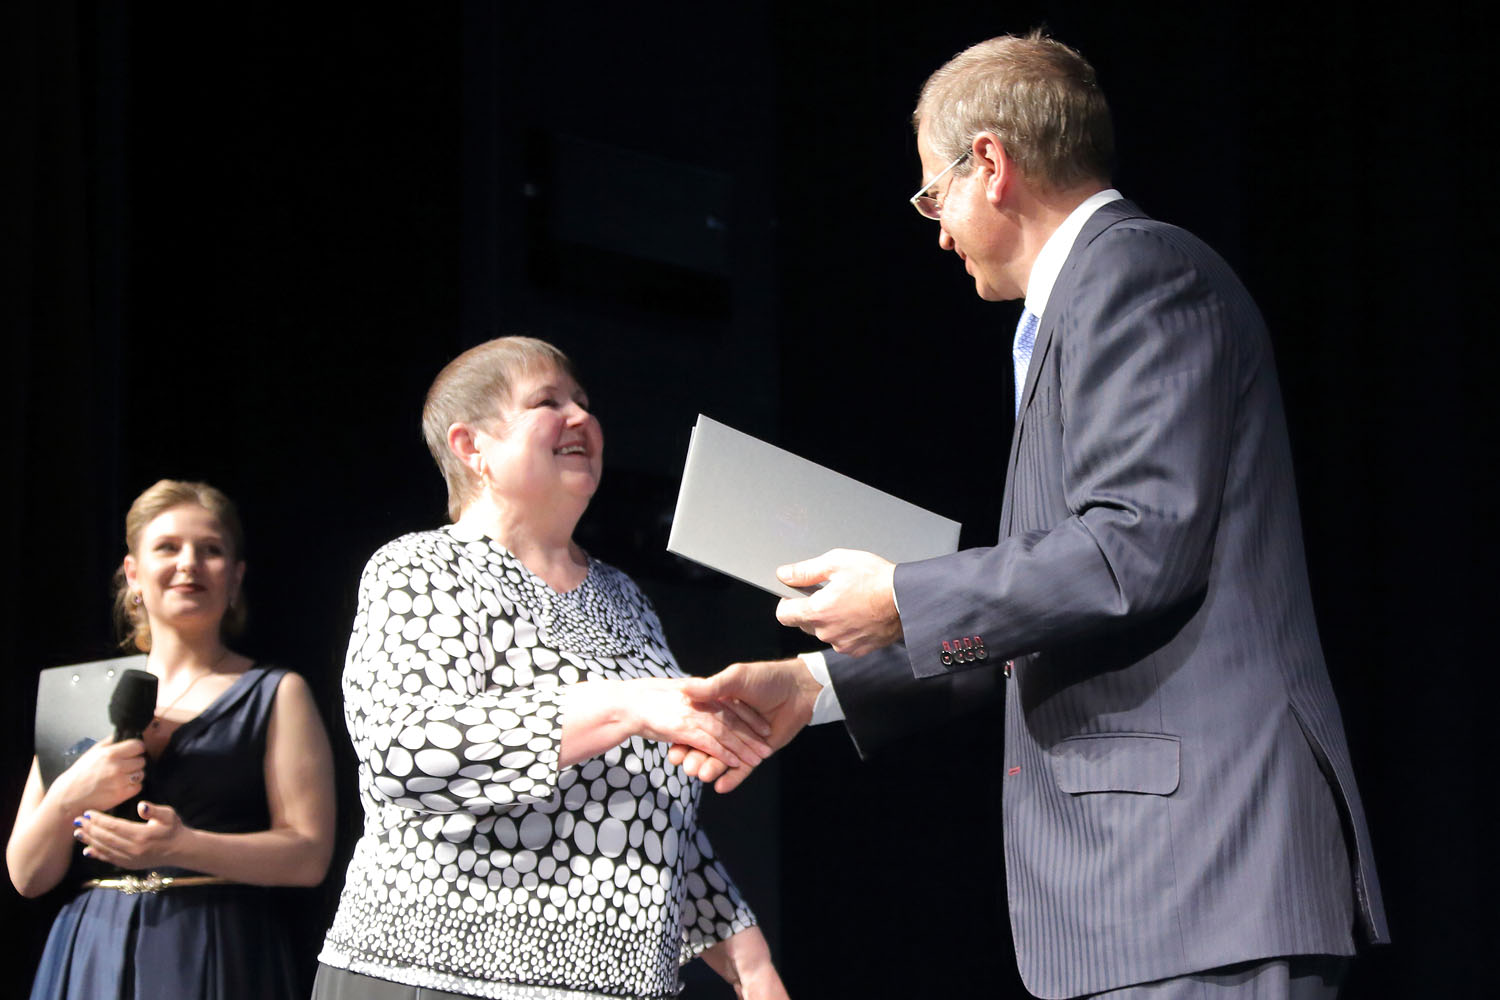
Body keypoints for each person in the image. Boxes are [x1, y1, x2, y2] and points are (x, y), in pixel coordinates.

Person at [681, 31, 1389, 1000]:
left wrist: (902, 597)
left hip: (1203, 869)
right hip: (1154, 895)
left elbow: (1131, 552)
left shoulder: (1136, 275)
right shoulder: (1081, 302)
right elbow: (1049, 606)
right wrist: (818, 685)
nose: (938, 231)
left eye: (934, 196)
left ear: (991, 164)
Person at [313, 336, 787, 1000]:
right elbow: (406, 751)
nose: (581, 417)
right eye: (547, 402)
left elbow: (643, 805)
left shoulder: (624, 598)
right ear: (471, 446)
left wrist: (744, 953)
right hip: (440, 977)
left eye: (584, 402)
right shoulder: (423, 568)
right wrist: (624, 706)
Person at [7, 479, 337, 999]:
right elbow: (27, 874)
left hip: (215, 947)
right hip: (91, 952)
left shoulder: (277, 692)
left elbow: (309, 857)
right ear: (133, 573)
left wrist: (182, 845)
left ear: (235, 577)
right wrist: (70, 796)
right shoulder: (81, 693)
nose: (189, 564)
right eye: (167, 547)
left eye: (210, 550)